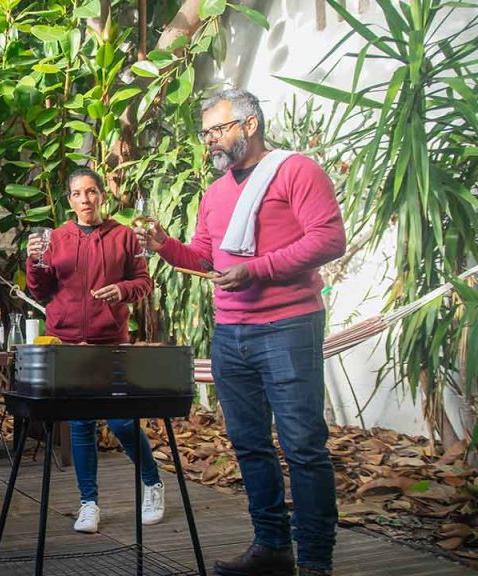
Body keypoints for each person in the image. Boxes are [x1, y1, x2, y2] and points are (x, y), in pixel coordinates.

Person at [136, 88, 345, 576]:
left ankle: (315, 562)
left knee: (302, 446)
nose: (209, 140)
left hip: (288, 325)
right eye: (205, 132)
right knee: (249, 443)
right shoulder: (216, 191)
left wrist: (259, 270)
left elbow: (329, 238)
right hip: (231, 331)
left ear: (249, 125)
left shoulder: (296, 170)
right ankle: (272, 547)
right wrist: (165, 246)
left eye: (217, 129)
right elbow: (206, 256)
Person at [25, 167, 164, 534]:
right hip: (68, 342)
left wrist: (122, 290)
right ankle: (89, 503)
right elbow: (41, 290)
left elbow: (144, 282)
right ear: (69, 200)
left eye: (90, 192)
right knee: (82, 423)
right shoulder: (56, 238)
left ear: (102, 195)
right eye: (76, 194)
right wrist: (33, 261)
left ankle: (152, 483)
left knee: (121, 421)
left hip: (110, 342)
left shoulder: (124, 236)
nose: (85, 200)